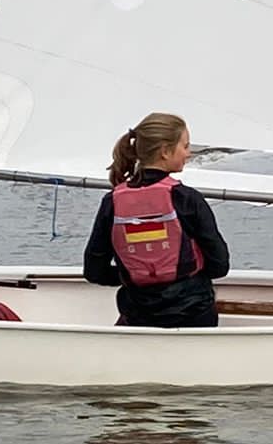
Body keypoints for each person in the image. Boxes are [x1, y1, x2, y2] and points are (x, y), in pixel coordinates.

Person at [83, 112, 230, 327]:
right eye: (185, 146)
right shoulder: (188, 199)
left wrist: (134, 276)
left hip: (138, 317)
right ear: (165, 152)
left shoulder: (112, 202)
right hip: (194, 316)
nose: (188, 153)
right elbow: (219, 266)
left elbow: (94, 271)